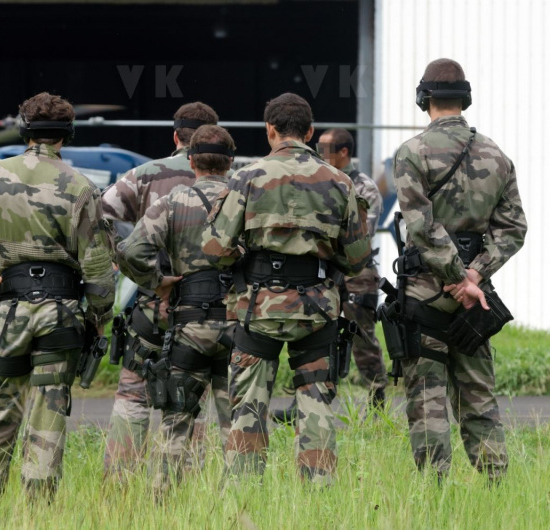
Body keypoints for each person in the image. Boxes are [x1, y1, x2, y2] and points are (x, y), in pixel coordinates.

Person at [0, 92, 114, 500]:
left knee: (1, 403)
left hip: (10, 309)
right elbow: (97, 267)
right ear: (66, 136)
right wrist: (98, 316)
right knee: (48, 409)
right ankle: (36, 508)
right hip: (60, 313)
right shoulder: (83, 186)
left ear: (23, 130)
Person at [203, 93, 370, 486]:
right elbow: (357, 258)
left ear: (269, 131)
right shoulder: (340, 181)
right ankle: (319, 490)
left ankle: (244, 495)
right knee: (317, 405)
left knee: (248, 407)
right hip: (317, 309)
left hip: (257, 308)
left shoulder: (245, 177)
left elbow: (216, 251)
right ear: (310, 133)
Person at [391, 58, 526, 482]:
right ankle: (496, 488)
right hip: (474, 298)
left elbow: (422, 225)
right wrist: (475, 275)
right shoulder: (497, 155)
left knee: (428, 400)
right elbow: (514, 229)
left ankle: (436, 494)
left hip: (426, 295)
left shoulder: (411, 153)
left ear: (423, 99)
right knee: (479, 397)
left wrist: (454, 278)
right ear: (465, 99)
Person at [101, 102, 229, 478]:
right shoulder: (238, 182)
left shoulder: (145, 174)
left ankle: (120, 482)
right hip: (217, 307)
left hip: (157, 305)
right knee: (196, 396)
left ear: (176, 136)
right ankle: (190, 482)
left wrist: (149, 279)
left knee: (133, 393)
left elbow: (102, 215)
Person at [273, 127, 386, 424]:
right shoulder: (315, 181)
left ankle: (377, 408)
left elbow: (361, 236)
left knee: (363, 342)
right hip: (322, 274)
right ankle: (305, 405)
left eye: (324, 149)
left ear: (344, 152)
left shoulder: (364, 188)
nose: (317, 153)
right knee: (314, 340)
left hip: (356, 276)